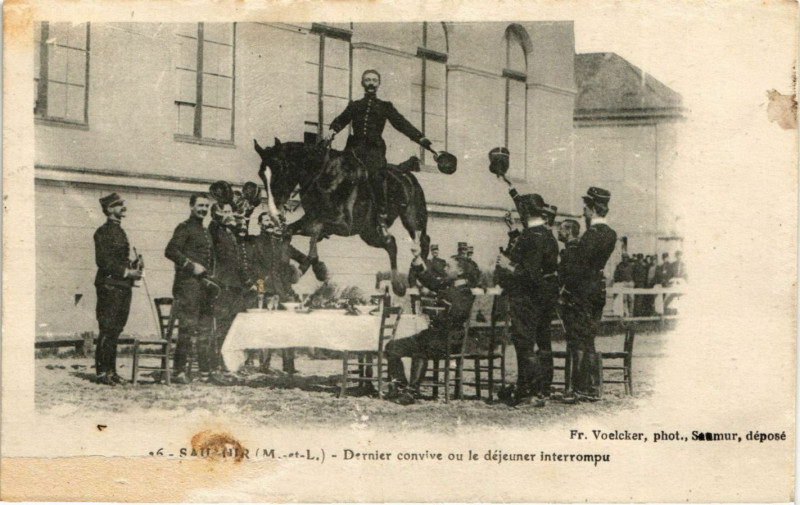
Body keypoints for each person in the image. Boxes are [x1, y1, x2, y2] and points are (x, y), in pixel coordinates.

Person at [326, 69, 433, 241]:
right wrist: (332, 130)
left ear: (378, 84)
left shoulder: (385, 107)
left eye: (374, 80)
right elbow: (342, 119)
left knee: (376, 177)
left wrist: (421, 138)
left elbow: (402, 124)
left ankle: (381, 220)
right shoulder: (355, 105)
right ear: (363, 83)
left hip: (374, 152)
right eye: (367, 80)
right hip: (353, 151)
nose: (371, 83)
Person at [385, 252, 478, 404]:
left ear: (460, 271)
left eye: (448, 266)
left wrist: (434, 314)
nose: (445, 269)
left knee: (420, 349)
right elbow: (431, 281)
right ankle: (399, 386)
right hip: (434, 336)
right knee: (392, 347)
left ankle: (412, 392)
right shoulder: (449, 285)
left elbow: (456, 317)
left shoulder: (464, 292)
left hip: (450, 339)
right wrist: (418, 262)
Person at [495, 193, 559, 407]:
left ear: (525, 212)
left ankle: (527, 393)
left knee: (524, 344)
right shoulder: (548, 235)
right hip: (544, 298)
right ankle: (542, 390)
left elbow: (530, 273)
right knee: (541, 342)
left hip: (526, 298)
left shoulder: (531, 236)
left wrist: (507, 266)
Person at [573, 186, 617, 401]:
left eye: (585, 207)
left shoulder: (591, 234)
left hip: (584, 289)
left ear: (592, 209)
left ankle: (584, 388)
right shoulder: (610, 234)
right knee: (589, 337)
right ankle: (592, 387)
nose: (583, 211)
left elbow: (579, 265)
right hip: (597, 289)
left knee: (581, 339)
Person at [165, 193, 215, 384]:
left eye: (206, 207)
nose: (203, 209)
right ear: (191, 207)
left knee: (203, 328)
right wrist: (190, 265)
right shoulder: (184, 228)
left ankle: (204, 372)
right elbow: (170, 251)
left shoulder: (205, 231)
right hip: (187, 286)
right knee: (186, 328)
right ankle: (178, 372)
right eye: (200, 206)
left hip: (203, 288)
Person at [93, 193, 141, 385]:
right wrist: (126, 272)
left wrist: (133, 264)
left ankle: (111, 372)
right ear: (109, 209)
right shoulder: (102, 232)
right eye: (119, 205)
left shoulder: (120, 231)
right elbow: (103, 261)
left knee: (116, 329)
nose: (123, 207)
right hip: (109, 286)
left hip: (121, 286)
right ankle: (102, 373)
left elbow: (119, 258)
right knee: (107, 328)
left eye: (122, 204)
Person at [249, 212, 303, 374]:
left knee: (288, 327)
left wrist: (297, 272)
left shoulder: (284, 245)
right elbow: (254, 271)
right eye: (265, 220)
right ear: (259, 224)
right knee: (266, 327)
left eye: (271, 220)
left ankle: (289, 365)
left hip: (285, 292)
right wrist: (260, 290)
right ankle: (264, 365)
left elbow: (305, 259)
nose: (269, 223)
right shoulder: (255, 243)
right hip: (265, 292)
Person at [208, 202, 248, 377]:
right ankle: (218, 363)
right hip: (224, 285)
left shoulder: (234, 234)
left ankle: (234, 364)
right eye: (224, 211)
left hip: (242, 286)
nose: (229, 215)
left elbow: (250, 267)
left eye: (230, 211)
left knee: (236, 326)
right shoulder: (216, 230)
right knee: (222, 325)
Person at [556, 218, 582, 403]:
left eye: (561, 229)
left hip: (572, 303)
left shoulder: (572, 252)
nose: (558, 232)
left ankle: (572, 387)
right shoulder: (574, 250)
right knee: (575, 344)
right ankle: (573, 386)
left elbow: (569, 278)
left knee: (574, 344)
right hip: (576, 302)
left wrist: (562, 296)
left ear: (569, 231)